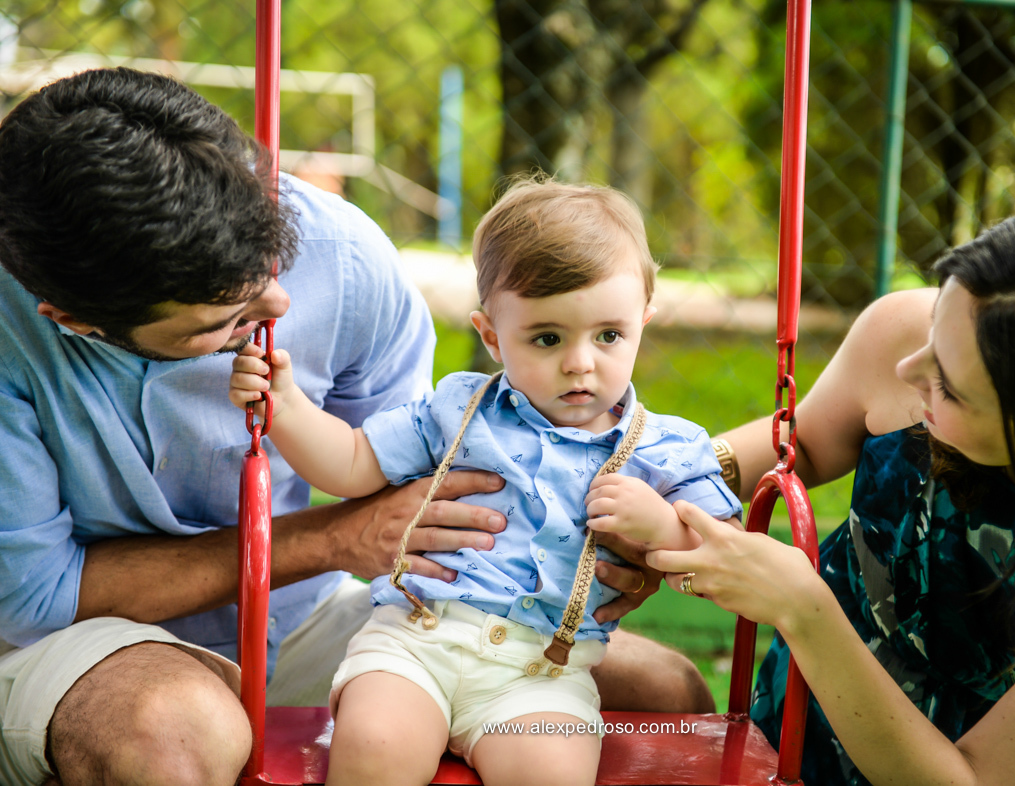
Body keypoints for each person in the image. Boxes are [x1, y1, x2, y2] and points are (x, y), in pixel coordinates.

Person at [0, 68, 707, 786]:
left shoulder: (341, 251)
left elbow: (401, 482)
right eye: (226, 322)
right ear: (75, 320)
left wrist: (620, 548)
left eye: (271, 266)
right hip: (75, 641)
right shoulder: (12, 317)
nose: (277, 304)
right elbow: (34, 598)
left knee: (664, 692)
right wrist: (333, 539)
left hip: (303, 615)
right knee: (173, 736)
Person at [229, 178, 744, 786]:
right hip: (415, 638)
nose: (581, 361)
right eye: (547, 338)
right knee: (375, 746)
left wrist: (662, 527)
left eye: (609, 335)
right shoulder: (457, 410)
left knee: (552, 773)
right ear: (492, 336)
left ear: (643, 323)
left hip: (541, 674)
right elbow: (351, 462)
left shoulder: (667, 450)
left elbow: (728, 555)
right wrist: (286, 407)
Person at [649, 209, 1015, 786]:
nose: (908, 367)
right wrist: (675, 476)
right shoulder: (916, 332)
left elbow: (970, 781)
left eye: (948, 385)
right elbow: (804, 440)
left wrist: (804, 608)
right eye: (934, 329)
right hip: (802, 729)